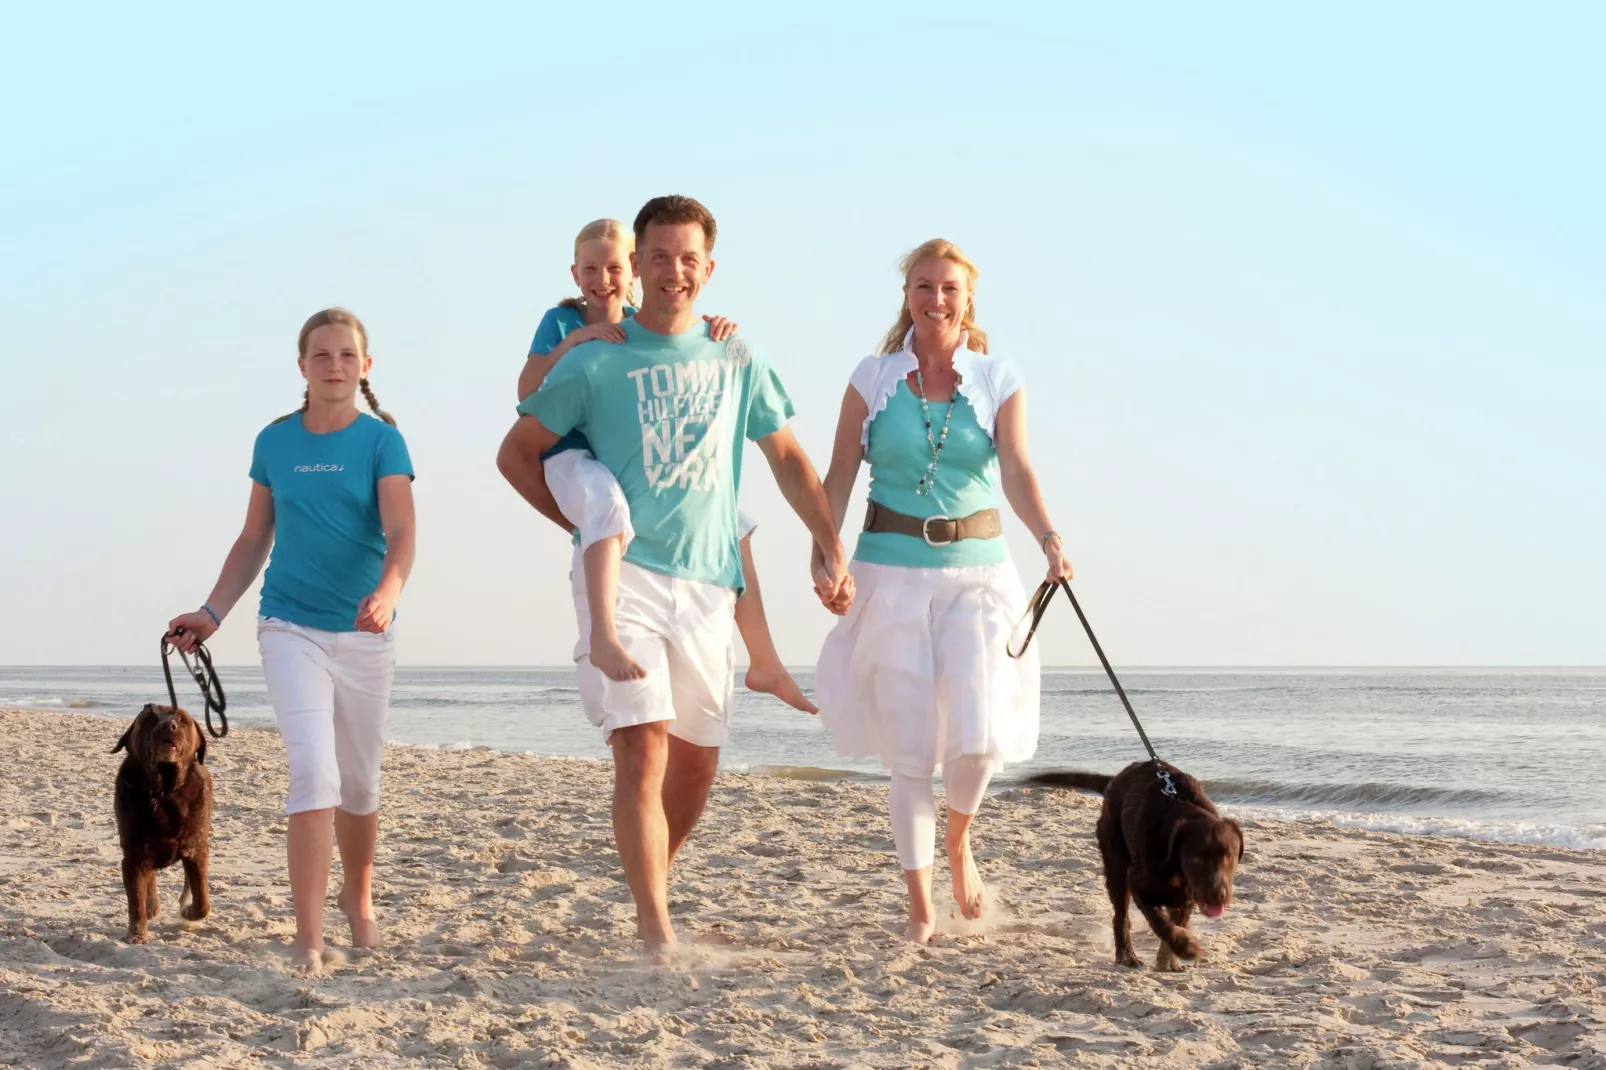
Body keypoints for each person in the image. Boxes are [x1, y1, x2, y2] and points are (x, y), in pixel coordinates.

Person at [497, 195, 850, 963]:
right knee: (644, 749)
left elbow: (787, 458)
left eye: (689, 257)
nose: (673, 271)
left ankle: (649, 875)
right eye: (659, 255)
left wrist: (829, 542)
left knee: (697, 762)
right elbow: (517, 452)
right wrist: (584, 528)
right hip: (632, 582)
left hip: (708, 583)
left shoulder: (735, 357)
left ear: (709, 268)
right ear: (639, 264)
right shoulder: (594, 357)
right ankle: (657, 930)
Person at [814, 239, 1071, 944]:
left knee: (979, 740)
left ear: (968, 299)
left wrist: (1049, 537)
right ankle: (921, 908)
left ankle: (959, 843)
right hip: (888, 573)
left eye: (950, 288)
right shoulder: (873, 377)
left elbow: (1016, 468)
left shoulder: (998, 377)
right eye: (924, 286)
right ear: (907, 296)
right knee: (909, 751)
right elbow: (837, 476)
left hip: (979, 574)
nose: (936, 299)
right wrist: (823, 552)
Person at [168, 308, 416, 973]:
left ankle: (356, 902)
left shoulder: (383, 443)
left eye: (346, 356)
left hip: (365, 633)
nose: (334, 365)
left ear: (365, 367)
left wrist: (389, 592)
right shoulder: (274, 443)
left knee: (360, 785)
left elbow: (401, 534)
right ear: (302, 366)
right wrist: (212, 611)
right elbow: (254, 540)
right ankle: (309, 937)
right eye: (321, 355)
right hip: (289, 625)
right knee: (314, 772)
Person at [515, 218, 815, 713]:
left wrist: (716, 330)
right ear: (574, 273)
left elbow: (676, 334)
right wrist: (575, 343)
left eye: (613, 268)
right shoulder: (560, 321)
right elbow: (527, 390)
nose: (602, 279)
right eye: (591, 269)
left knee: (733, 523)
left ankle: (765, 660)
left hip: (627, 457)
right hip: (568, 452)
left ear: (632, 271)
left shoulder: (639, 319)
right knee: (606, 508)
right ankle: (606, 636)